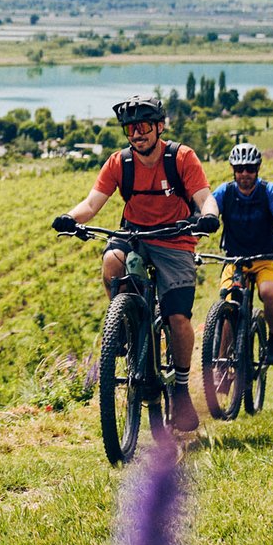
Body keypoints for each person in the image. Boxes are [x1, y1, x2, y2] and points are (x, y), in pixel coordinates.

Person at [53, 94, 219, 432]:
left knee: (177, 317)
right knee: (112, 263)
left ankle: (182, 387)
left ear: (159, 127)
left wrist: (210, 216)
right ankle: (127, 326)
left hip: (175, 239)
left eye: (143, 126)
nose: (136, 134)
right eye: (130, 128)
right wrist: (70, 218)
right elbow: (92, 203)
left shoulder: (181, 158)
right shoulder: (120, 163)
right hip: (135, 236)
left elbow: (205, 198)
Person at [213, 142, 273, 365]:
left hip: (266, 258)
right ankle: (222, 363)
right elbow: (208, 215)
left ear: (258, 168)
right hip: (235, 260)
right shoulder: (224, 192)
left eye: (250, 168)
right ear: (233, 169)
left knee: (271, 292)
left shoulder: (269, 191)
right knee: (229, 303)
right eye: (240, 168)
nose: (245, 173)